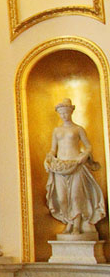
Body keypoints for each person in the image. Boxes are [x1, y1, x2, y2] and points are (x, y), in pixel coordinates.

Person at [44, 98, 106, 235]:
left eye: (66, 113)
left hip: (76, 166)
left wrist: (84, 156)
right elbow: (53, 149)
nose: (64, 115)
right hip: (60, 167)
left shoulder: (78, 129)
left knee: (76, 196)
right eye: (61, 113)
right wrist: (48, 158)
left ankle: (77, 225)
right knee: (62, 198)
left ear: (71, 112)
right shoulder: (57, 130)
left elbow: (88, 146)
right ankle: (69, 222)